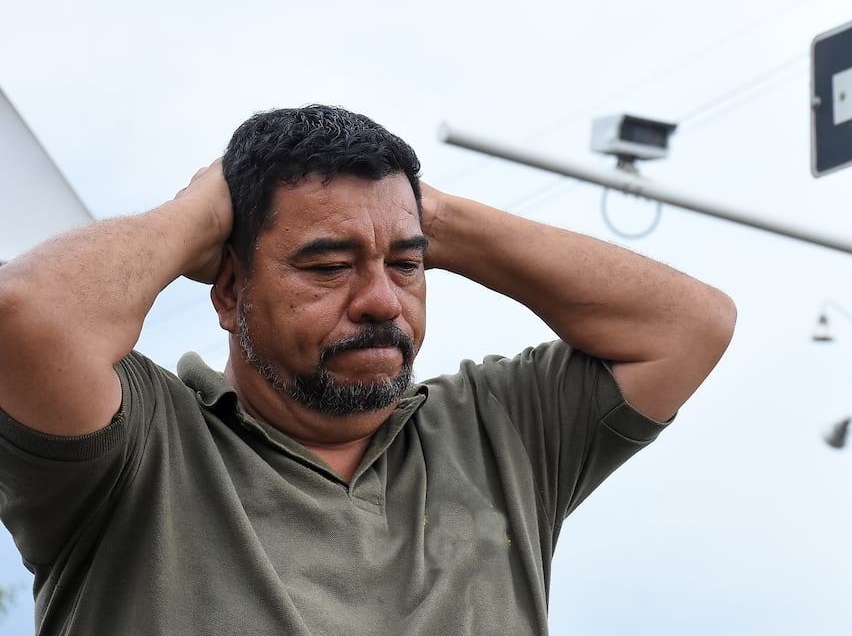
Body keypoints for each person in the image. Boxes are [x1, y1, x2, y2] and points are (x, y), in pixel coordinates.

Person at [0, 105, 736, 635]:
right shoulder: (137, 447)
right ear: (228, 292)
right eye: (328, 266)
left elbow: (690, 325)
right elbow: (25, 315)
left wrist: (426, 214)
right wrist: (203, 209)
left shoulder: (499, 431)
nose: (382, 300)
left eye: (408, 265)